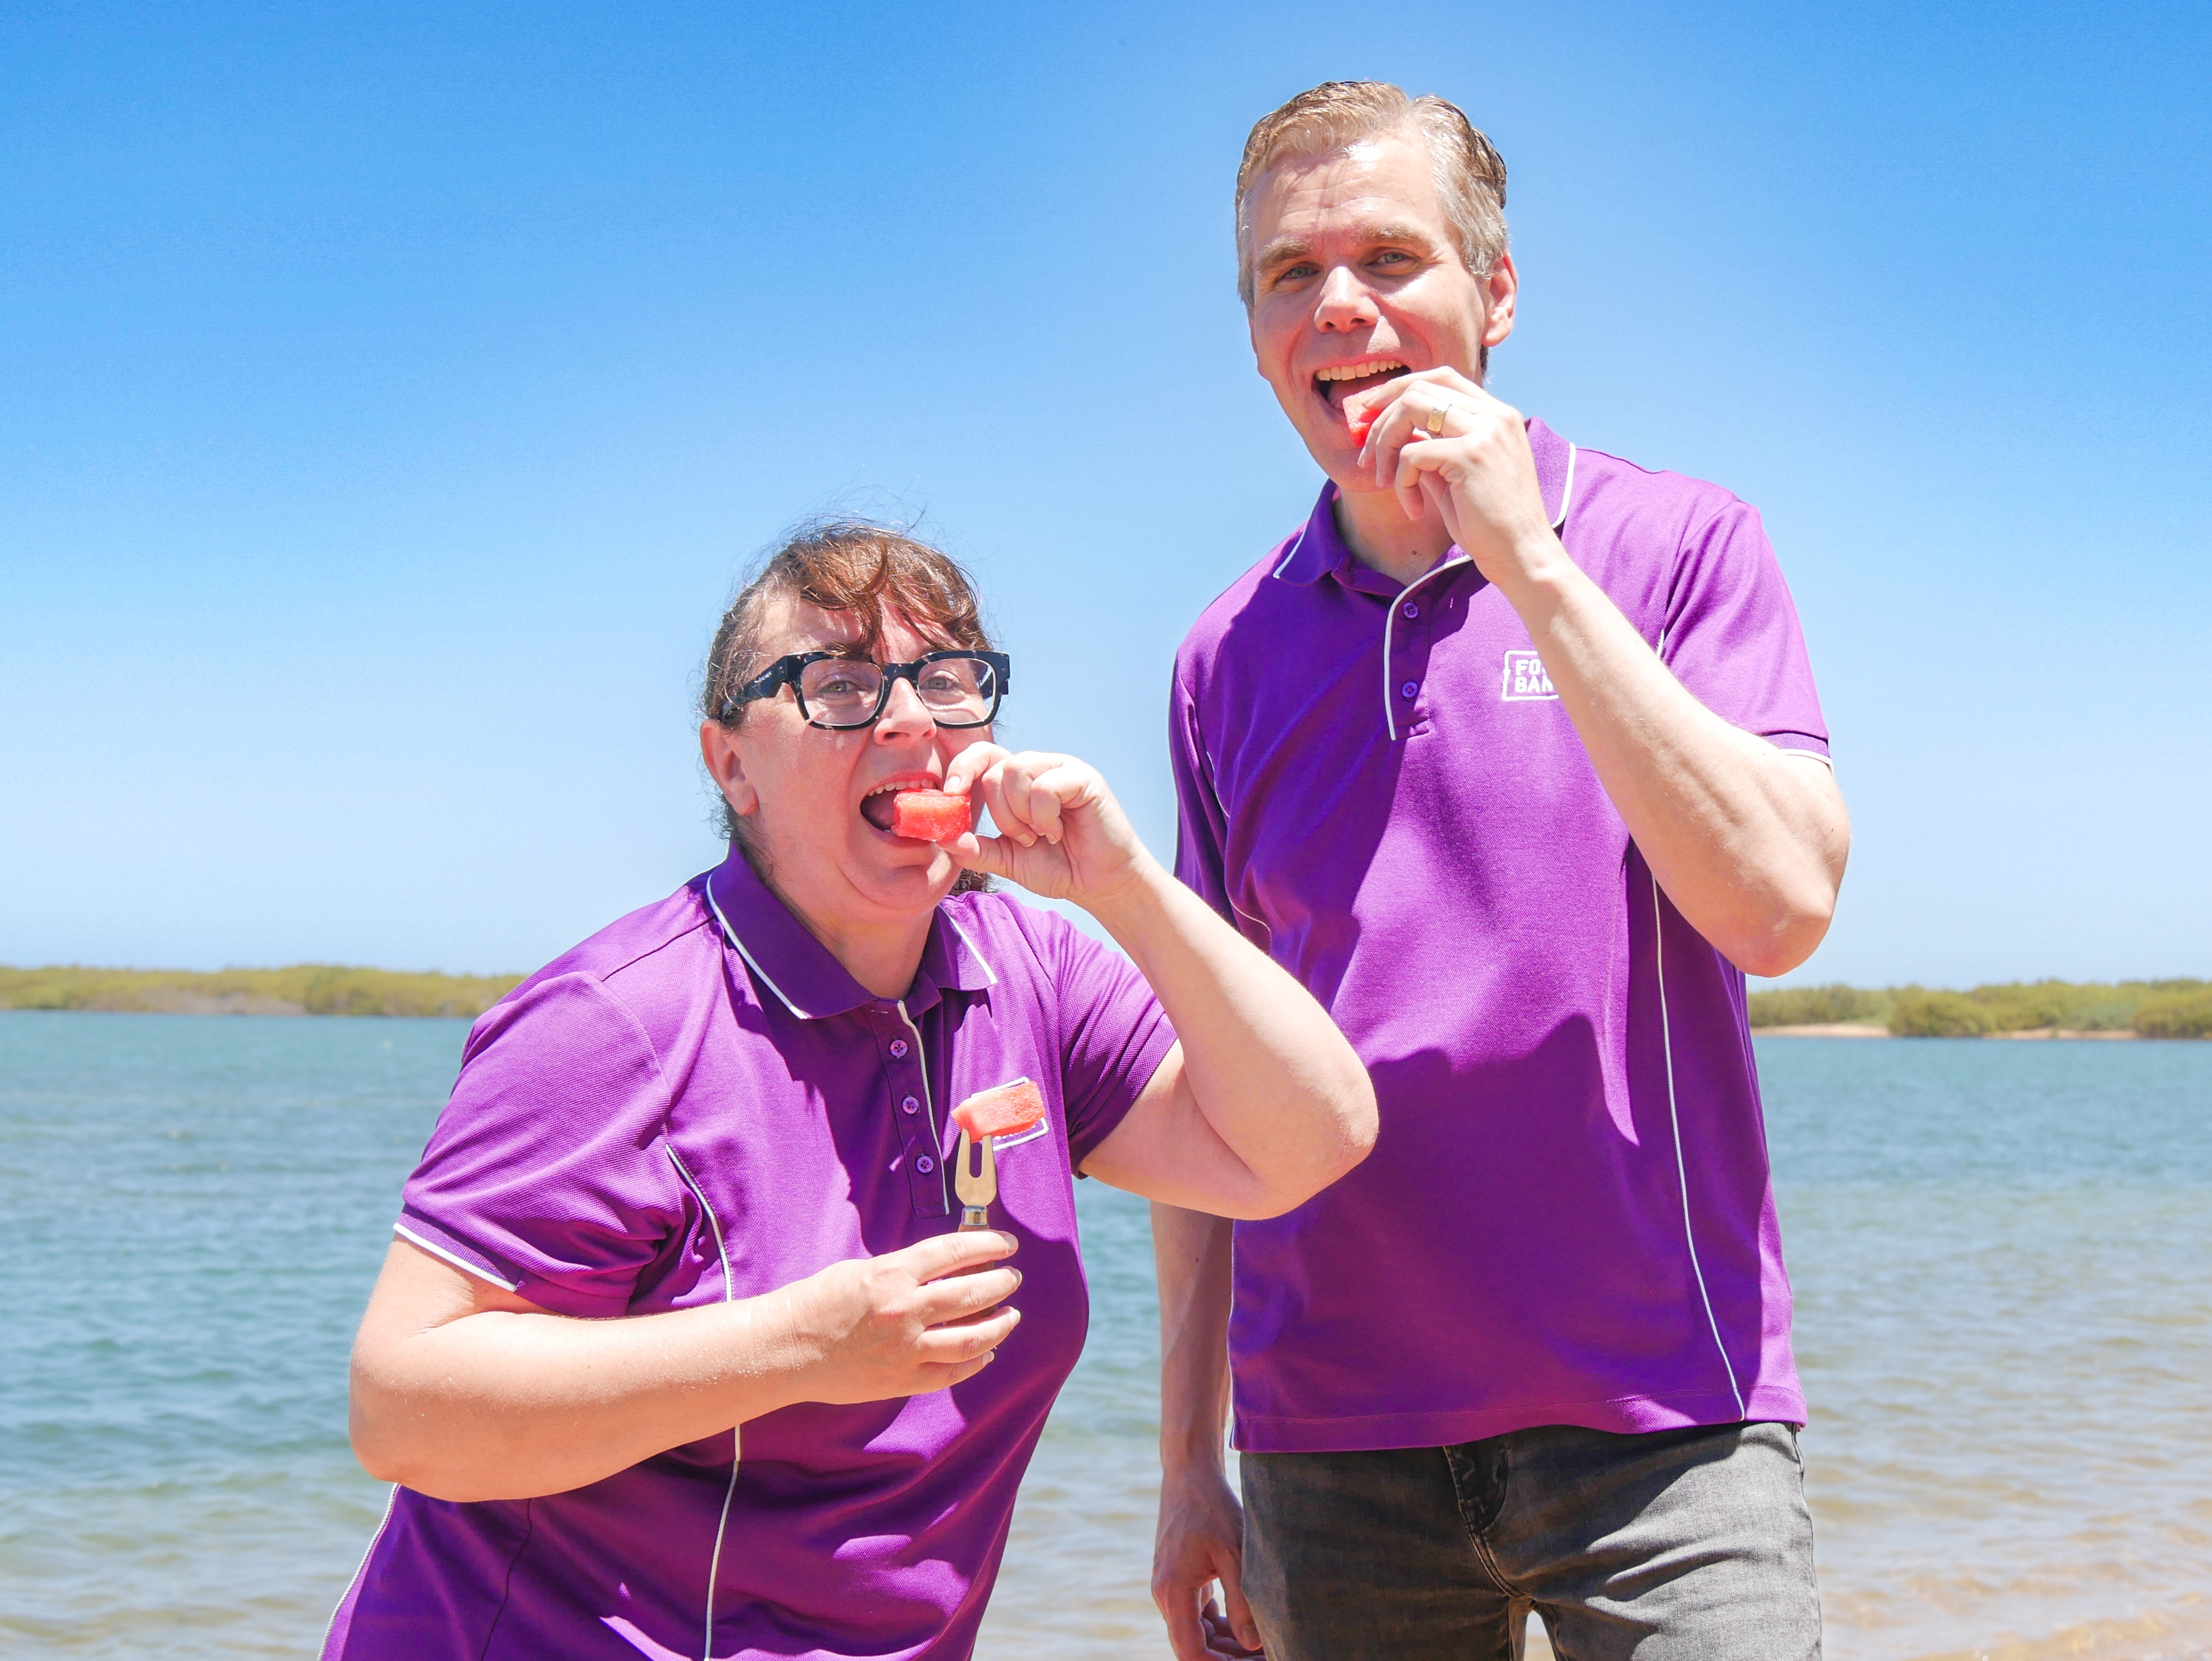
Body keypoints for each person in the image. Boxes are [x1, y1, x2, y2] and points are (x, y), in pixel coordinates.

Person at [324, 520, 1376, 1661]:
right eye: (839, 686)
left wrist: (1123, 887)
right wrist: (799, 1346)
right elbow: (404, 1406)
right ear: (731, 763)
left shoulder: (1028, 969)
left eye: (947, 679)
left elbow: (1308, 1141)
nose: (912, 718)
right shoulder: (614, 1022)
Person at [1150, 82, 1851, 1661]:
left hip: (1670, 1418)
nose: (1339, 305)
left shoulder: (1677, 544)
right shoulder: (1221, 654)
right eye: (1287, 273)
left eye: (1390, 257)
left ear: (1497, 292)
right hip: (1330, 1444)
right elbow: (1209, 1073)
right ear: (1257, 327)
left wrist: (1527, 562)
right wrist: (1189, 1460)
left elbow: (1781, 907)